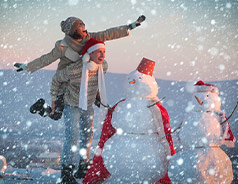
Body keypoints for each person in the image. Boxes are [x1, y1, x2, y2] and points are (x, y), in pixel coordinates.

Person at [14, 15, 145, 119]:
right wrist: (28, 66)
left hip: (85, 79)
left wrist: (131, 26)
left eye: (83, 25)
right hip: (66, 82)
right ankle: (42, 107)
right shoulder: (62, 46)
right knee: (56, 114)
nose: (84, 27)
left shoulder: (89, 38)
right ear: (73, 30)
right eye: (81, 26)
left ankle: (108, 111)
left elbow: (108, 33)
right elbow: (46, 59)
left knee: (95, 100)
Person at [51, 38, 108, 184]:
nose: (102, 56)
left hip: (88, 105)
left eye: (104, 52)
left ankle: (84, 165)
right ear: (89, 53)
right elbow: (57, 78)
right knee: (72, 137)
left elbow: (93, 84)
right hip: (72, 105)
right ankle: (66, 173)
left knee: (88, 135)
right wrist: (54, 98)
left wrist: (97, 96)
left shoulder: (103, 67)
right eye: (99, 52)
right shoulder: (76, 69)